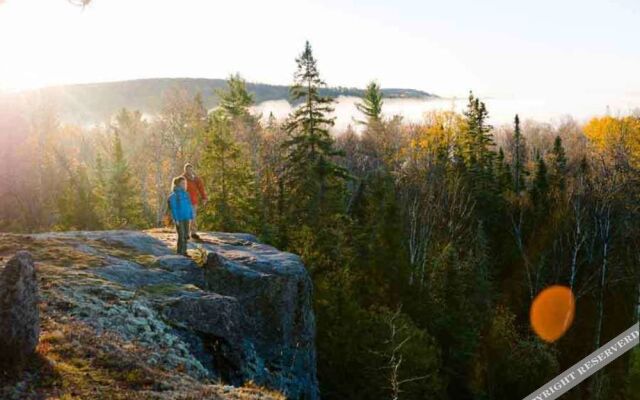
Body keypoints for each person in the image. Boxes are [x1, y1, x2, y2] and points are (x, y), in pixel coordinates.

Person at [168, 176, 193, 256]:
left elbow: (189, 205)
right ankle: (180, 252)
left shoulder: (187, 194)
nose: (185, 185)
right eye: (183, 183)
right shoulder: (173, 195)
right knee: (181, 235)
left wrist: (191, 216)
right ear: (178, 184)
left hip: (186, 217)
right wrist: (176, 219)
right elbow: (173, 208)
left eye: (185, 183)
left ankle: (184, 252)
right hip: (179, 219)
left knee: (186, 235)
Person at [182, 163, 208, 240]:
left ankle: (193, 233)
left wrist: (204, 198)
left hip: (194, 201)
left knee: (193, 217)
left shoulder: (196, 179)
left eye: (190, 169)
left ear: (192, 170)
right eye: (187, 169)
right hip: (184, 201)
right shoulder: (182, 178)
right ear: (185, 170)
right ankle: (185, 233)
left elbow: (201, 188)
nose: (189, 170)